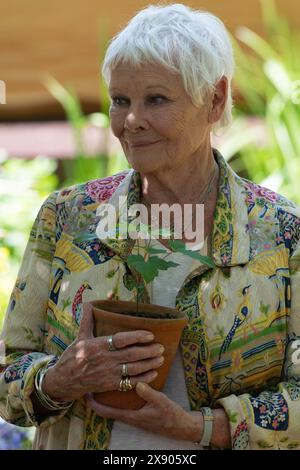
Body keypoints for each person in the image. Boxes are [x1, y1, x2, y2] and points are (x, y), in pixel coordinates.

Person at [1, 3, 300, 451]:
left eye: (156, 99)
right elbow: (9, 377)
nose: (131, 120)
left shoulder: (280, 233)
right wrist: (60, 379)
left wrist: (197, 427)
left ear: (215, 100)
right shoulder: (67, 217)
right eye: (120, 100)